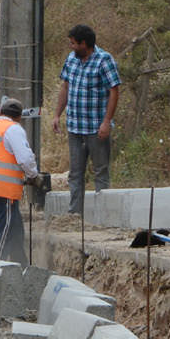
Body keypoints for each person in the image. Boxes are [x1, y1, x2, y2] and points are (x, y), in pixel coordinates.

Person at [50, 24, 122, 217]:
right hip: (75, 127)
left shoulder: (104, 60)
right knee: (75, 173)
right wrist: (57, 114)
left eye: (74, 43)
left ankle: (102, 214)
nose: (71, 47)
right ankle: (75, 214)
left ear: (84, 44)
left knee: (100, 171)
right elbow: (65, 87)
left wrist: (107, 122)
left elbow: (114, 91)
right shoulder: (71, 60)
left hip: (95, 127)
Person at [0, 98, 40, 261]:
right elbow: (25, 159)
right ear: (18, 117)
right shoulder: (13, 129)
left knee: (15, 229)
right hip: (5, 190)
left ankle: (21, 267)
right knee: (4, 229)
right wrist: (33, 175)